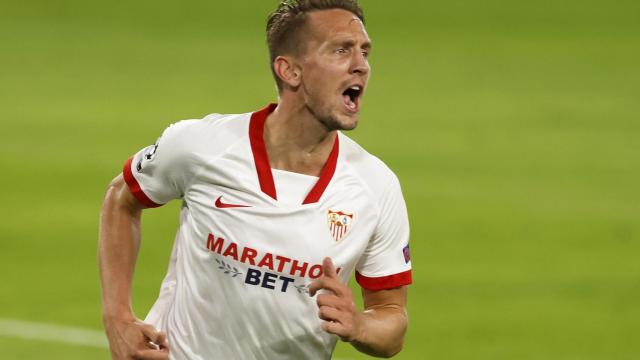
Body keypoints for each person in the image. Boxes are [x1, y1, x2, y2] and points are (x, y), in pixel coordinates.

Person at [99, 0, 412, 359]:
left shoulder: (374, 186)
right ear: (290, 71)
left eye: (364, 52)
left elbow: (393, 322)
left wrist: (360, 325)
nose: (361, 66)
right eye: (341, 50)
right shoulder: (201, 146)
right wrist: (117, 317)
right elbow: (122, 197)